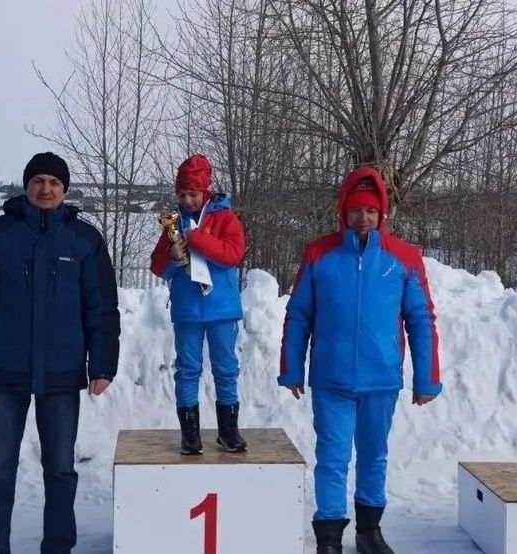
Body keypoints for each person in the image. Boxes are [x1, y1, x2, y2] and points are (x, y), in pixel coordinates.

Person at [0, 152, 120, 554]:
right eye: (39, 181)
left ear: (65, 189)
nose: (46, 189)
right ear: (27, 185)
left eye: (54, 183)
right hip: (3, 370)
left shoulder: (84, 240)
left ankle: (58, 547)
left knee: (60, 470)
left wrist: (103, 363)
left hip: (61, 372)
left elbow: (101, 308)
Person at [278, 166, 441, 554]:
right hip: (331, 378)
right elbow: (299, 314)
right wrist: (291, 367)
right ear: (343, 212)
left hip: (381, 379)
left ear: (382, 214)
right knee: (332, 459)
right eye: (356, 210)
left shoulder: (404, 257)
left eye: (371, 211)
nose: (363, 218)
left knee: (374, 456)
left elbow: (421, 320)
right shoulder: (319, 253)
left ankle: (369, 533)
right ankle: (330, 539)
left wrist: (426, 379)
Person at [149, 154, 247, 454]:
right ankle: (189, 436)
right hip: (188, 308)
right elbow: (157, 265)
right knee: (188, 369)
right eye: (182, 194)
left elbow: (233, 254)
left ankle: (228, 432)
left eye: (193, 194)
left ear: (206, 191)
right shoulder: (173, 224)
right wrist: (173, 258)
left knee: (226, 368)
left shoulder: (226, 218)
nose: (188, 200)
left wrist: (198, 240)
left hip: (221, 308)